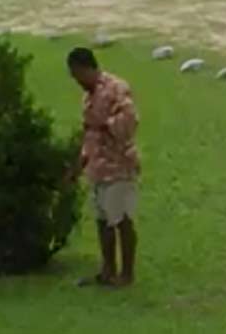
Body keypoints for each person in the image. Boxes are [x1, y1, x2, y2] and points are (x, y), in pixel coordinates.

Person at [68, 47, 141, 288]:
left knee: (121, 220)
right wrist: (79, 165)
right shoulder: (88, 97)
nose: (76, 80)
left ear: (87, 68)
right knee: (103, 221)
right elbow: (88, 134)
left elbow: (129, 124)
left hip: (119, 166)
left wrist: (104, 124)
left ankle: (127, 274)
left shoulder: (116, 89)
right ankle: (108, 270)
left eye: (77, 74)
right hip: (98, 169)